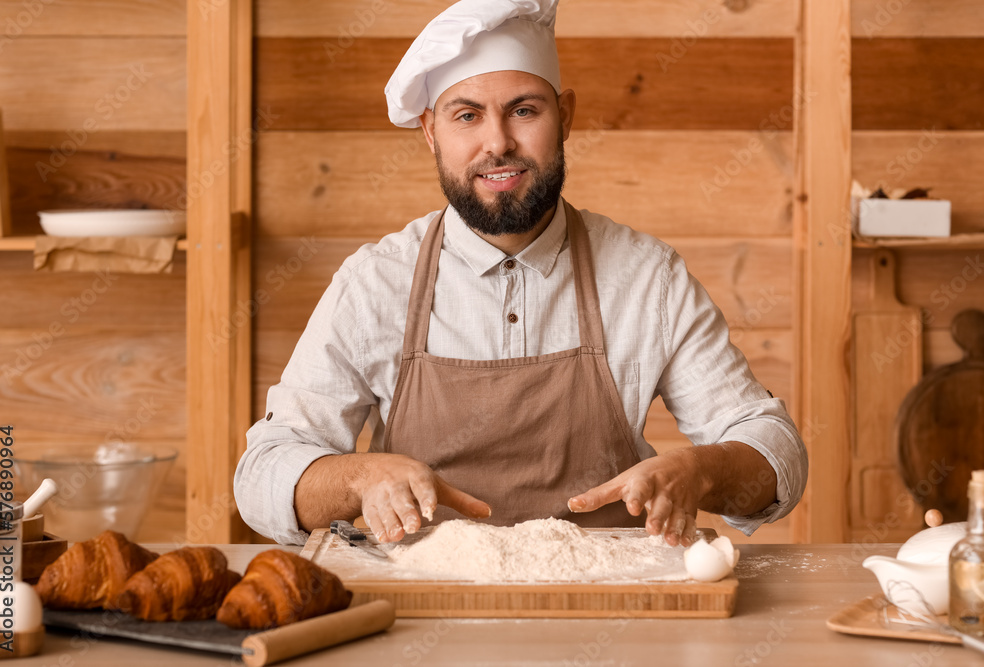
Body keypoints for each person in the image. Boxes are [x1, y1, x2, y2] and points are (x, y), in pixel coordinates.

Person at [234, 0, 808, 547]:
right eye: (467, 116)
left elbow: (775, 452)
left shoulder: (647, 278)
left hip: (610, 620)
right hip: (424, 628)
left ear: (567, 116)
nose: (498, 143)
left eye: (524, 110)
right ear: (432, 131)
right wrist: (357, 478)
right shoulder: (374, 284)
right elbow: (261, 475)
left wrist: (700, 470)